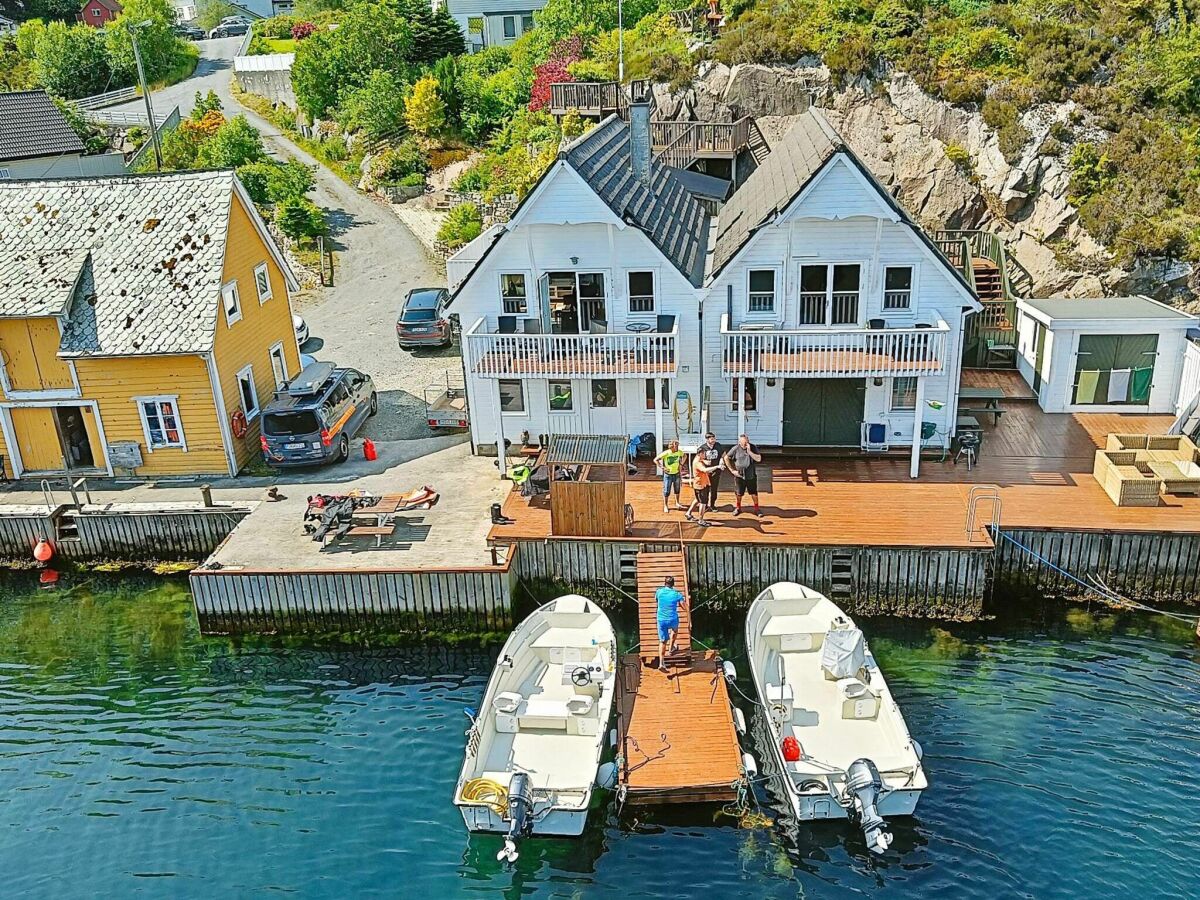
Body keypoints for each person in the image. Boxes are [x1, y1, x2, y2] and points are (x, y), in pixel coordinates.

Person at [724, 433, 762, 516]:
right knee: (739, 493)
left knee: (754, 493)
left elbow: (759, 459)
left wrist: (749, 451)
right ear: (739, 442)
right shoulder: (735, 449)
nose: (746, 443)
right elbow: (726, 457)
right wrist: (732, 470)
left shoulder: (753, 447)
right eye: (744, 442)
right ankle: (738, 508)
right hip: (739, 475)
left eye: (747, 441)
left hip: (751, 475)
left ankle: (756, 508)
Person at [654, 575, 687, 671]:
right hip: (672, 619)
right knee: (675, 630)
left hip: (661, 619)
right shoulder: (677, 594)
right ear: (673, 584)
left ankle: (661, 663)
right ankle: (671, 648)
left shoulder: (659, 592)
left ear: (665, 583)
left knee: (663, 641)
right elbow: (683, 607)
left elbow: (656, 600)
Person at [654, 440, 685, 513]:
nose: (677, 447)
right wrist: (662, 467)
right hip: (668, 475)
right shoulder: (666, 453)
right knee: (666, 490)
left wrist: (681, 464)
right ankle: (665, 505)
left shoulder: (679, 452)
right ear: (672, 447)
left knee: (677, 489)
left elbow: (684, 456)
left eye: (678, 445)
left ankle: (677, 502)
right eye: (676, 446)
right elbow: (656, 460)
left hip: (677, 473)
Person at [685, 451, 714, 526]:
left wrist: (706, 461)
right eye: (704, 454)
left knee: (697, 499)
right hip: (701, 485)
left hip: (699, 484)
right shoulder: (698, 463)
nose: (705, 455)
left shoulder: (697, 459)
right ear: (700, 454)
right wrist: (717, 467)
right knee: (703, 503)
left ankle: (688, 513)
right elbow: (704, 470)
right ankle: (701, 520)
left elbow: (705, 462)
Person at [697, 432, 724, 511]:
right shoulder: (703, 448)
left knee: (714, 489)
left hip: (716, 471)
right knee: (705, 489)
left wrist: (722, 460)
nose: (713, 440)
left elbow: (722, 454)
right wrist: (704, 461)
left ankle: (712, 505)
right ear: (707, 440)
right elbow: (698, 458)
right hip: (706, 472)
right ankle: (704, 504)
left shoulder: (718, 446)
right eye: (712, 439)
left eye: (714, 438)